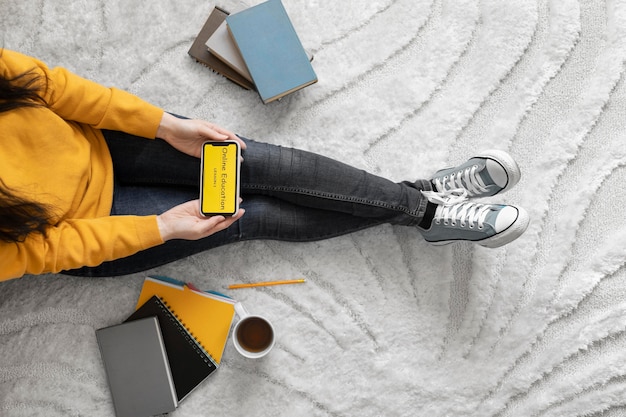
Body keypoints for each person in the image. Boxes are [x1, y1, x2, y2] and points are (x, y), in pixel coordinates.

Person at [0, 49, 529, 280]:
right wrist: (162, 228)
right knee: (249, 216)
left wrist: (167, 125)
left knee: (267, 165)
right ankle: (426, 209)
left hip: (103, 140)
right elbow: (44, 252)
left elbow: (48, 86)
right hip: (100, 227)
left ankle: (421, 205)